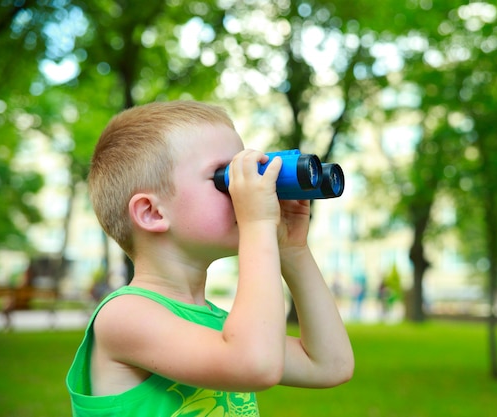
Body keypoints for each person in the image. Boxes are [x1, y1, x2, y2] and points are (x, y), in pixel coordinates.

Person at [66, 100, 354, 416]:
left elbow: (329, 365)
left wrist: (292, 250)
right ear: (151, 212)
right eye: (223, 177)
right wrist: (257, 225)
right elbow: (253, 365)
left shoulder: (219, 325)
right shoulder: (123, 317)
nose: (244, 190)